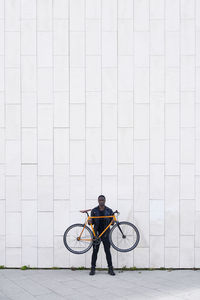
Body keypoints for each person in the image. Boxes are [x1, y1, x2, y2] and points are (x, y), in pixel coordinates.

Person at [88, 195, 115, 276]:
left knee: (107, 251)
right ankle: (92, 268)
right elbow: (91, 223)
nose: (101, 201)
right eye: (100, 200)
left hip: (106, 234)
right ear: (98, 201)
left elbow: (112, 223)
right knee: (95, 252)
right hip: (96, 234)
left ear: (105, 200)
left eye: (102, 200)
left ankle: (110, 269)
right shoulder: (94, 210)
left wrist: (113, 220)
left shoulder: (109, 210)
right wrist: (90, 221)